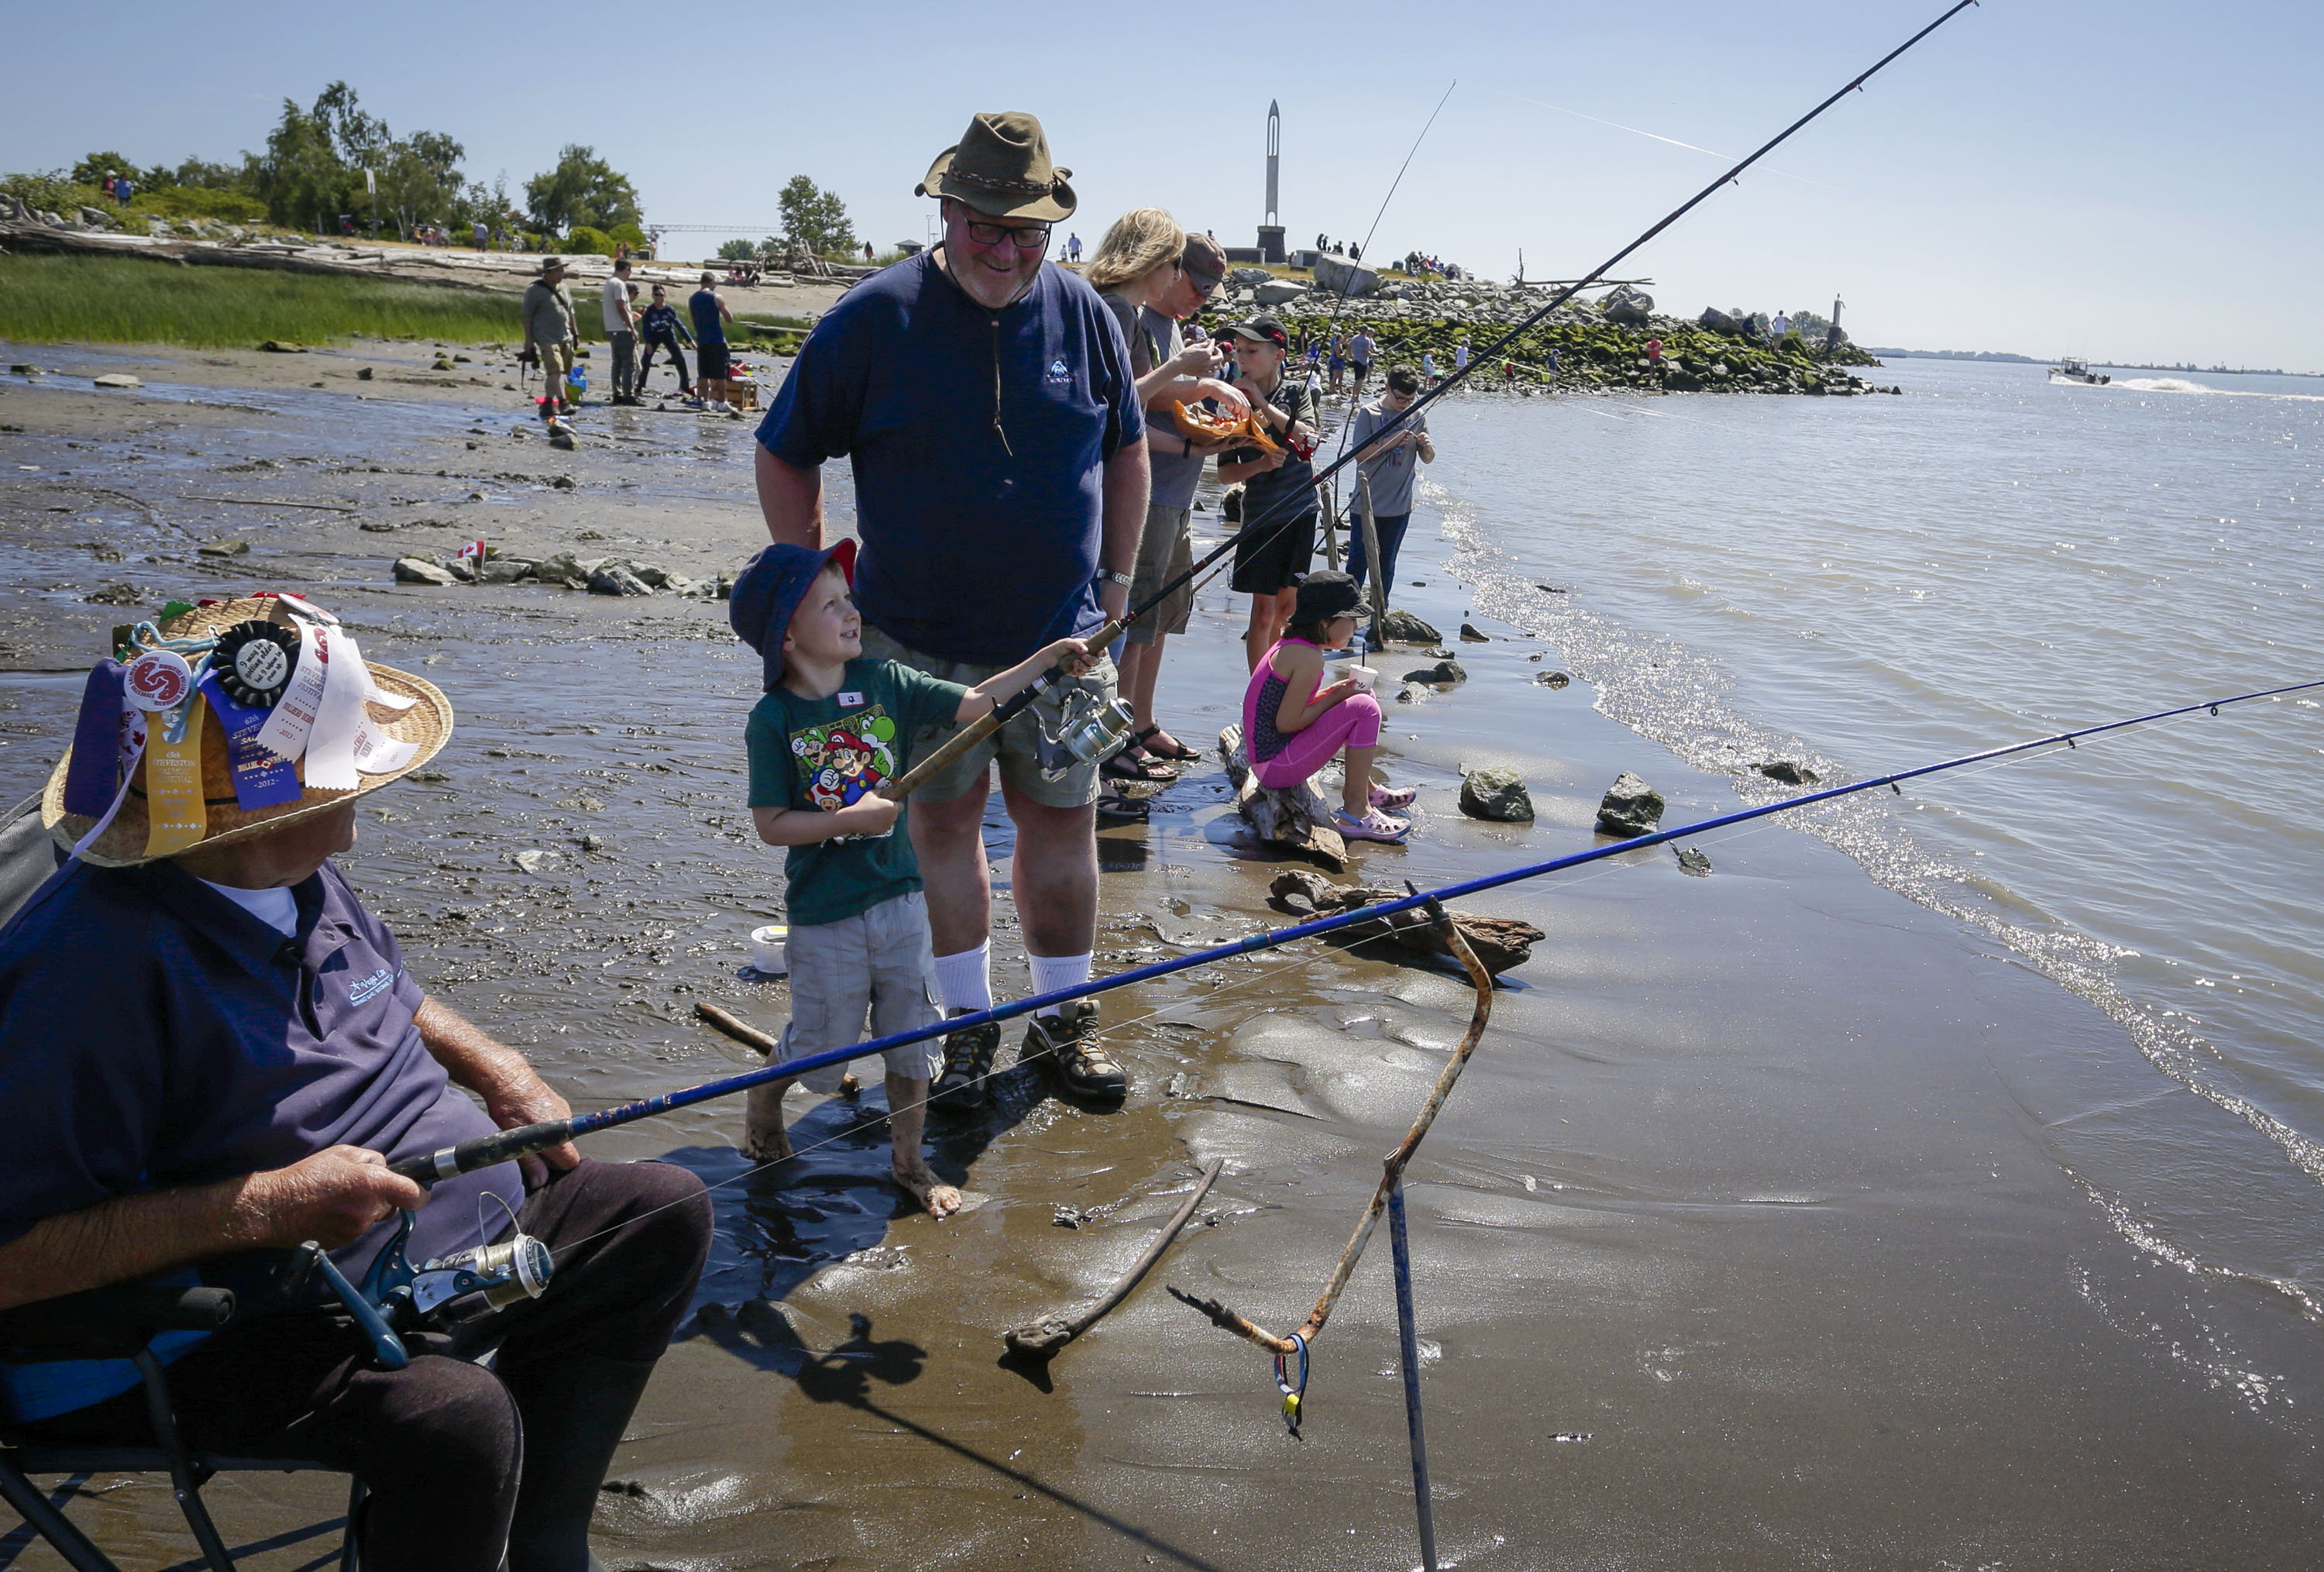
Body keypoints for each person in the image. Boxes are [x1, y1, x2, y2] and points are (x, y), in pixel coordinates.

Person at [0, 594, 711, 1572]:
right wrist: (263, 1209)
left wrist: (491, 1061)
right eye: (343, 777)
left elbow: (388, 990)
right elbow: (15, 1261)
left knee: (661, 1211)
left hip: (394, 1250)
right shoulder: (88, 977)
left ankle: (546, 1546)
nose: (363, 803)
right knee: (453, 1420)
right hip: (183, 1330)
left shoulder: (282, 866)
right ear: (261, 806)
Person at [753, 110, 1147, 1113]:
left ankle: (1065, 1020)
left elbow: (1128, 451)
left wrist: (1116, 589)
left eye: (1031, 234)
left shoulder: (1087, 316)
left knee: (1064, 826)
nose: (1010, 253)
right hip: (913, 641)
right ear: (948, 209)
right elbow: (786, 447)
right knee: (945, 828)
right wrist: (809, 587)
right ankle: (966, 1030)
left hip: (1061, 639)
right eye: (988, 228)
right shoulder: (870, 318)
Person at [729, 542, 1093, 1209]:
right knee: (823, 1054)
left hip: (900, 901)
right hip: (825, 914)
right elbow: (772, 822)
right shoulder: (774, 719)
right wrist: (848, 820)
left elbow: (981, 702)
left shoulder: (888, 680)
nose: (851, 612)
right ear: (785, 635)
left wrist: (1046, 662)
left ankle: (910, 1162)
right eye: (830, 604)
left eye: (848, 597)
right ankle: (765, 1094)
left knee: (911, 1039)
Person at [1085, 215, 1246, 783]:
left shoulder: (1170, 324)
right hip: (1143, 494)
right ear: (1163, 268)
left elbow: (1160, 395)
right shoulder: (1128, 316)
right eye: (1192, 283)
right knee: (1130, 617)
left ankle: (1142, 719)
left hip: (1173, 496)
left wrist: (1211, 399)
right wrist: (1188, 435)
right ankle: (1119, 730)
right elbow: (1122, 410)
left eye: (1208, 291)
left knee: (1157, 619)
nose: (1200, 297)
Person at [1242, 572, 1414, 842]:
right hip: (1275, 766)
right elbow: (1286, 723)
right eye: (1352, 620)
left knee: (1362, 696)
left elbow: (1289, 706)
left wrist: (1333, 691)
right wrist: (1335, 697)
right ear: (1325, 621)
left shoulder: (1292, 646)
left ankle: (1364, 788)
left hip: (1269, 758)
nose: (1356, 628)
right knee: (1364, 708)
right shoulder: (1309, 658)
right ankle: (1356, 812)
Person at [1216, 313, 1320, 672]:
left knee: (1288, 608)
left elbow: (1310, 439)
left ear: (1278, 355)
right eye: (1239, 350)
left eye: (1252, 350)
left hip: (1300, 512)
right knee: (1262, 611)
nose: (1241, 359)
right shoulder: (1231, 402)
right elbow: (1224, 473)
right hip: (1260, 515)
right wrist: (1259, 465)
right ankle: (1259, 690)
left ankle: (1278, 679)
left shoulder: (1296, 392)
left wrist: (1261, 401)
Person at [1346, 363, 1435, 605]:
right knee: (1358, 562)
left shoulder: (1417, 415)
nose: (1405, 404)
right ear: (1387, 388)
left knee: (1387, 564)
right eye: (1400, 398)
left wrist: (1426, 445)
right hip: (1367, 504)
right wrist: (1391, 442)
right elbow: (1359, 454)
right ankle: (1346, 613)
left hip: (1399, 506)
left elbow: (1428, 458)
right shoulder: (1369, 413)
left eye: (1410, 399)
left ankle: (1379, 612)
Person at [520, 255, 578, 428]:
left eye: (562, 270)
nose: (561, 274)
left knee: (559, 372)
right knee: (555, 370)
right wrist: (529, 340)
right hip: (545, 337)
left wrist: (575, 331)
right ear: (547, 273)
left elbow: (570, 311)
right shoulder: (535, 290)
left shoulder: (565, 288)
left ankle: (546, 403)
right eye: (557, 271)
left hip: (565, 336)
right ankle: (562, 402)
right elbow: (526, 316)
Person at [638, 283, 695, 400]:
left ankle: (685, 386)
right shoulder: (649, 310)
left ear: (665, 296)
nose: (659, 297)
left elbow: (679, 325)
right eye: (656, 295)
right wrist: (648, 343)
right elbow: (645, 328)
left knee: (680, 360)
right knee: (646, 361)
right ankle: (640, 386)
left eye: (661, 295)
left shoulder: (669, 310)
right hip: (653, 338)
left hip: (668, 336)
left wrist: (690, 341)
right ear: (653, 296)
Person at [690, 270, 734, 412]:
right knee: (720, 373)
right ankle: (721, 402)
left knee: (704, 373)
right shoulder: (717, 297)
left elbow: (692, 319)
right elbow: (729, 318)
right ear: (712, 282)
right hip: (716, 339)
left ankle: (706, 401)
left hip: (702, 339)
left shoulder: (692, 299)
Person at [602, 256, 639, 406]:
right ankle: (628, 395)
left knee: (616, 363)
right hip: (621, 329)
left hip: (611, 329)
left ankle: (617, 393)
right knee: (628, 364)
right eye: (630, 270)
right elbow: (621, 307)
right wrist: (631, 327)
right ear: (626, 269)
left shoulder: (609, 283)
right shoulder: (619, 284)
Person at [1349, 326, 1376, 392]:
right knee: (1360, 380)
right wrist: (1374, 355)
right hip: (1363, 362)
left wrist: (1351, 355)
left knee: (1357, 379)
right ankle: (1356, 398)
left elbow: (1349, 347)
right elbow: (1367, 352)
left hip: (1356, 360)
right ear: (1366, 331)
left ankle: (1353, 397)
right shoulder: (1367, 340)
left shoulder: (1355, 338)